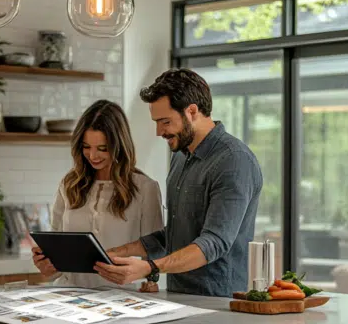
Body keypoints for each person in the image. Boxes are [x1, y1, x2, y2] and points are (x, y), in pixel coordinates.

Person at [94, 68, 263, 297]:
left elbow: (215, 241)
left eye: (165, 122)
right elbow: (175, 233)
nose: (158, 131)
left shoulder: (234, 160)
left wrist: (150, 267)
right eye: (156, 122)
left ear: (192, 111)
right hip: (179, 296)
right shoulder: (181, 157)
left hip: (219, 302)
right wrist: (119, 252)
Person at [31, 100, 164, 290]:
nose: (93, 156)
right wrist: (47, 266)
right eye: (86, 147)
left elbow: (154, 252)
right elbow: (57, 258)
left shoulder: (145, 188)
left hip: (122, 298)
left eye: (102, 148)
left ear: (119, 145)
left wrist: (151, 281)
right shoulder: (69, 185)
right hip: (70, 296)